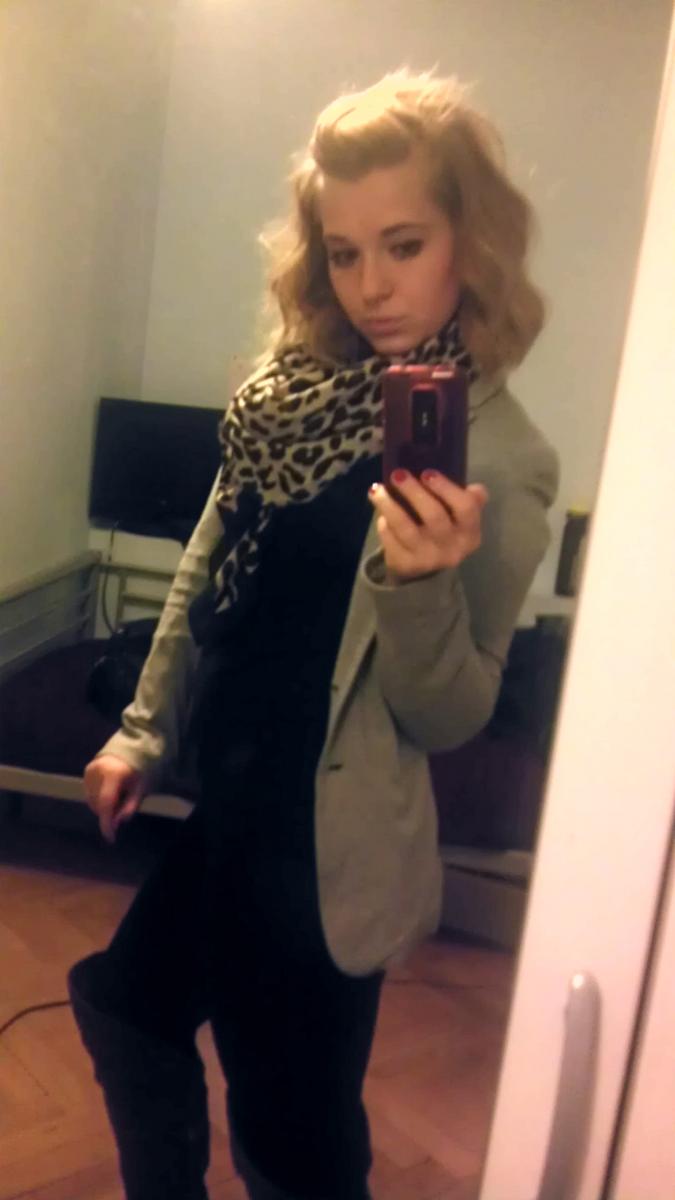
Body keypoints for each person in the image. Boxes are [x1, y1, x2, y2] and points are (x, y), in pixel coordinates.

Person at [68, 69, 558, 1200]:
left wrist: (422, 583)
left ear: (469, 241)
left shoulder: (502, 455)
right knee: (126, 1008)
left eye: (403, 245)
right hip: (230, 801)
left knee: (294, 1138)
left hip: (327, 856)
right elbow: (205, 565)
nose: (371, 286)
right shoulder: (287, 396)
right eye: (343, 252)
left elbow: (451, 713)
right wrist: (142, 730)